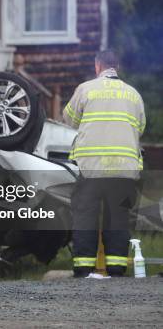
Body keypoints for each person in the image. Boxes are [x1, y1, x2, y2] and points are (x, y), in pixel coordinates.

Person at [62, 50, 145, 277]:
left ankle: (83, 270)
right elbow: (140, 127)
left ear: (97, 66)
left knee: (85, 216)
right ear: (116, 66)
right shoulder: (134, 95)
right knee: (118, 217)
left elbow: (68, 119)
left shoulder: (85, 89)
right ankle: (117, 269)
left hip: (92, 168)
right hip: (124, 169)